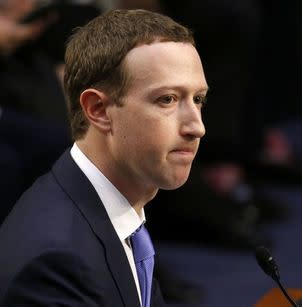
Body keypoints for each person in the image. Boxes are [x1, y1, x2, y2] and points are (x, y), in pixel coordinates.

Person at [0, 8, 207, 307]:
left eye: (198, 99)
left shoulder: (115, 211)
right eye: (168, 99)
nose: (197, 127)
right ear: (98, 110)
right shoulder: (56, 263)